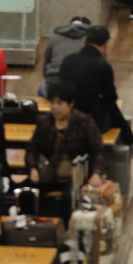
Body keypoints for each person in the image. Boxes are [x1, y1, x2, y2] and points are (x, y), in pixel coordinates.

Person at [60, 26, 133, 157]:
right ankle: (131, 142)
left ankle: (132, 141)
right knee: (111, 107)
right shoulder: (102, 65)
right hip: (92, 122)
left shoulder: (67, 60)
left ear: (85, 40)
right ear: (106, 44)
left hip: (67, 116)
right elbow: (111, 97)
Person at [26, 80, 105, 221]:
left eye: (60, 103)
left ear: (71, 104)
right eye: (52, 102)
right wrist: (32, 168)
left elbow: (98, 150)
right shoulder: (45, 122)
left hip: (76, 175)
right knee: (26, 192)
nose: (55, 107)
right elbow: (32, 148)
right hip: (50, 172)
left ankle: (68, 233)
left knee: (68, 199)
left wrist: (96, 173)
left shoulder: (85, 122)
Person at [40, 17, 91, 97]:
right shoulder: (93, 40)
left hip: (54, 83)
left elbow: (46, 64)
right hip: (81, 88)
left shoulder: (54, 37)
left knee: (41, 89)